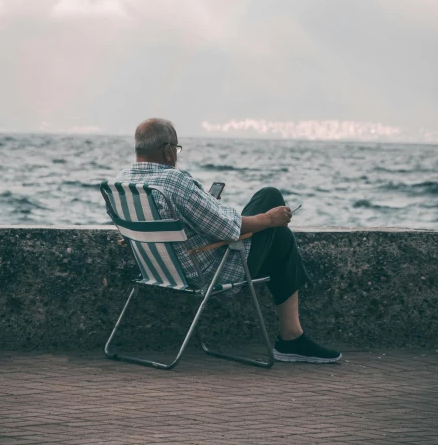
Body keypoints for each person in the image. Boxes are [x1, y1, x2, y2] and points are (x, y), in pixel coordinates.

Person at [115, 117, 341, 364]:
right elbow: (229, 229)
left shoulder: (121, 183)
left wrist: (208, 208)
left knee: (281, 237)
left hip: (159, 270)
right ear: (169, 151)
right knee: (270, 196)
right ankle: (291, 338)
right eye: (176, 150)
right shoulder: (174, 182)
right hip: (208, 272)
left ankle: (292, 338)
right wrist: (268, 218)